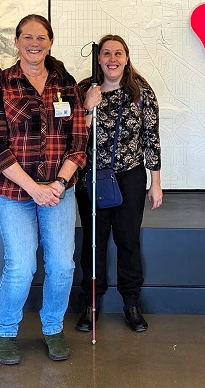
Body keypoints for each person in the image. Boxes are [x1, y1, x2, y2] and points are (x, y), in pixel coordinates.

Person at [0, 14, 88, 365]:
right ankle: (6, 332)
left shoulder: (65, 83)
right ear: (16, 42)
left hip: (58, 191)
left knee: (62, 266)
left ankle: (53, 328)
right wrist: (34, 189)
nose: (34, 43)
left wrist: (57, 184)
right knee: (22, 265)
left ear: (51, 42)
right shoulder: (0, 83)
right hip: (13, 193)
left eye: (41, 37)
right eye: (27, 37)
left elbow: (78, 141)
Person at [75, 35, 163, 334]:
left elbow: (151, 137)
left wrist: (156, 182)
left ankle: (131, 303)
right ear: (98, 58)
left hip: (129, 177)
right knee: (93, 242)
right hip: (91, 178)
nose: (112, 59)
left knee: (128, 242)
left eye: (118, 53)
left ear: (127, 57)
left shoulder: (141, 92)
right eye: (106, 54)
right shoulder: (84, 89)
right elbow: (73, 136)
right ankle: (91, 303)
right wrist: (87, 108)